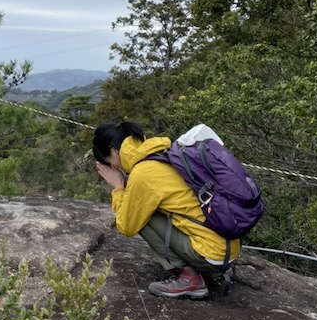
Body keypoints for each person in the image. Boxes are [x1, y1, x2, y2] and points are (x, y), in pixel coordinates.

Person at [93, 121, 241, 299]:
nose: (114, 168)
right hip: (228, 244)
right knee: (143, 207)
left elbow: (126, 226)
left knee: (140, 215)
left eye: (109, 163)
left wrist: (118, 188)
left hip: (212, 254)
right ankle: (197, 267)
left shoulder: (143, 173)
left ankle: (188, 278)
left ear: (114, 151)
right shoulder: (164, 152)